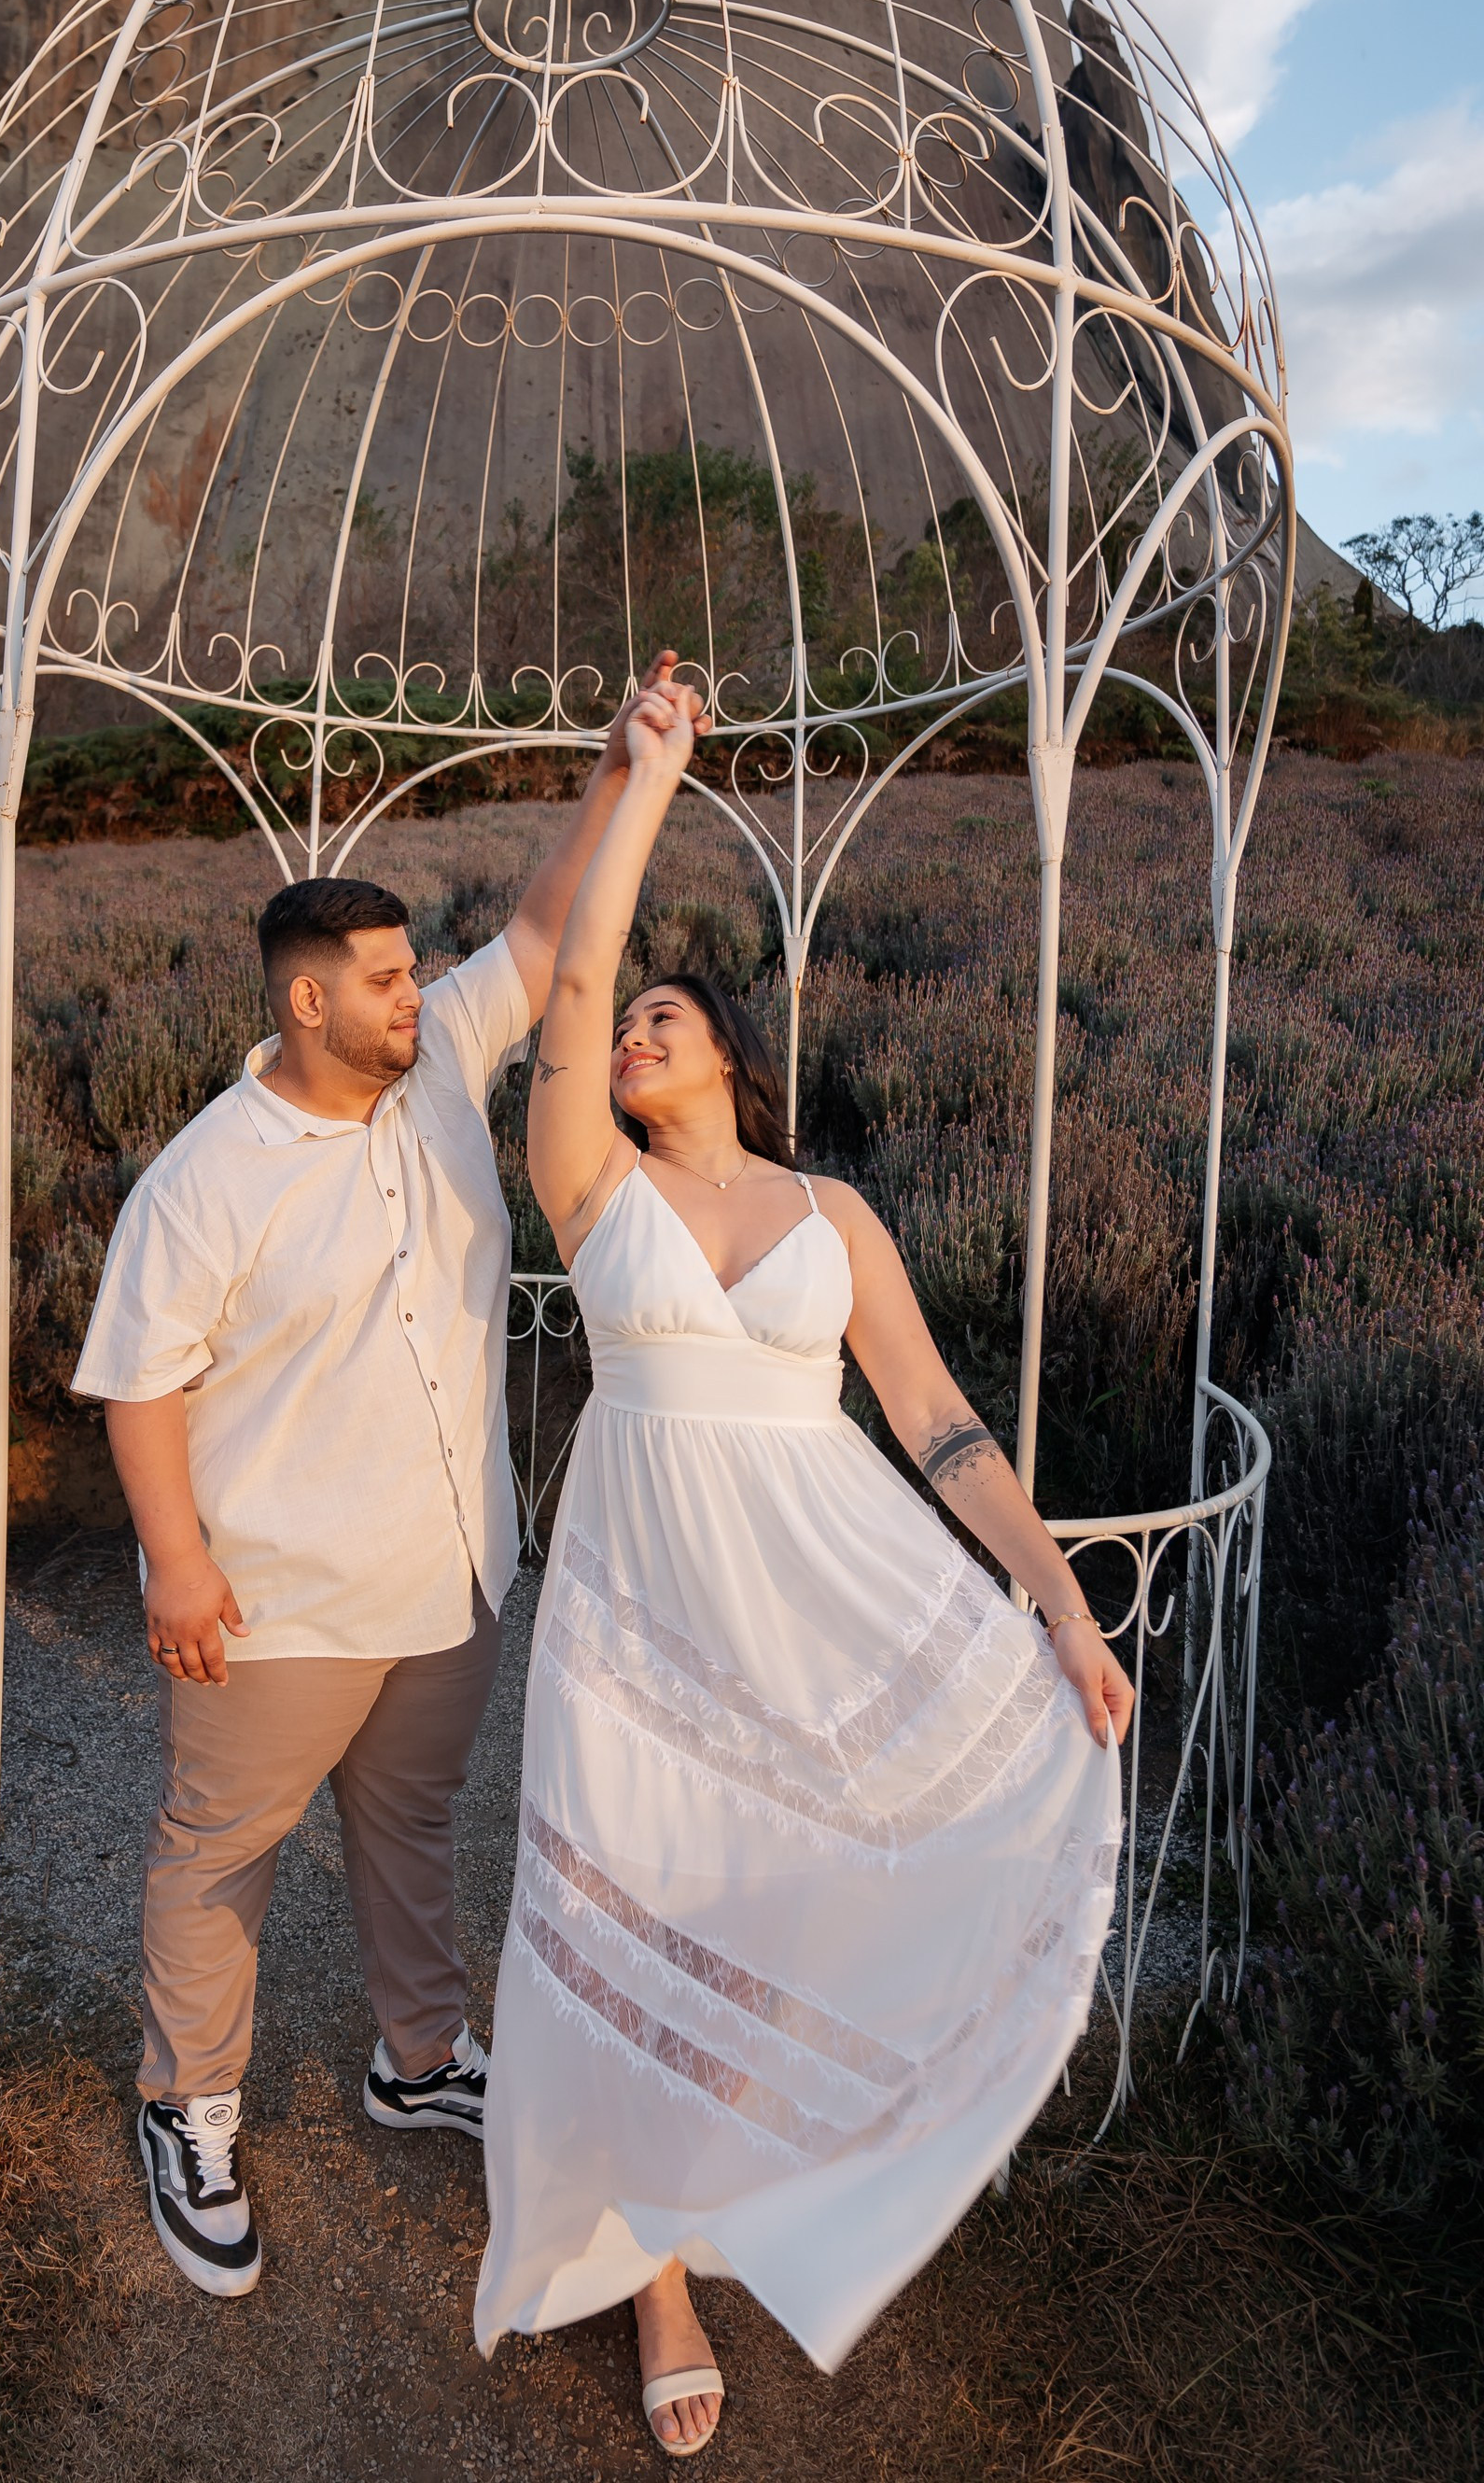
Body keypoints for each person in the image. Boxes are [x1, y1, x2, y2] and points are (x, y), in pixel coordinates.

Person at [474, 682, 1133, 2457]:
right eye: (630, 1023)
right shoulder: (589, 1184)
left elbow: (937, 1422)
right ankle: (653, 2276)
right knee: (621, 1909)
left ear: (732, 1059)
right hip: (641, 1617)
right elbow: (573, 984)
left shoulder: (833, 1216)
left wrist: (1063, 1608)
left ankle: (766, 2162)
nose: (634, 1035)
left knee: (777, 1903)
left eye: (668, 1020)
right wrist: (644, 785)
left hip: (822, 1594)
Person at [71, 656, 683, 2299]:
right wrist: (177, 1563)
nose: (422, 994)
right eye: (390, 979)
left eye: (418, 972)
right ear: (306, 1003)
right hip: (279, 1597)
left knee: (412, 1825)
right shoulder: (206, 1177)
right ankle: (188, 2105)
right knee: (222, 1853)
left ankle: (418, 2059)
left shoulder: (440, 1063)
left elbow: (542, 934)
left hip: (451, 1569)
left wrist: (615, 769)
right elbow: (140, 1380)